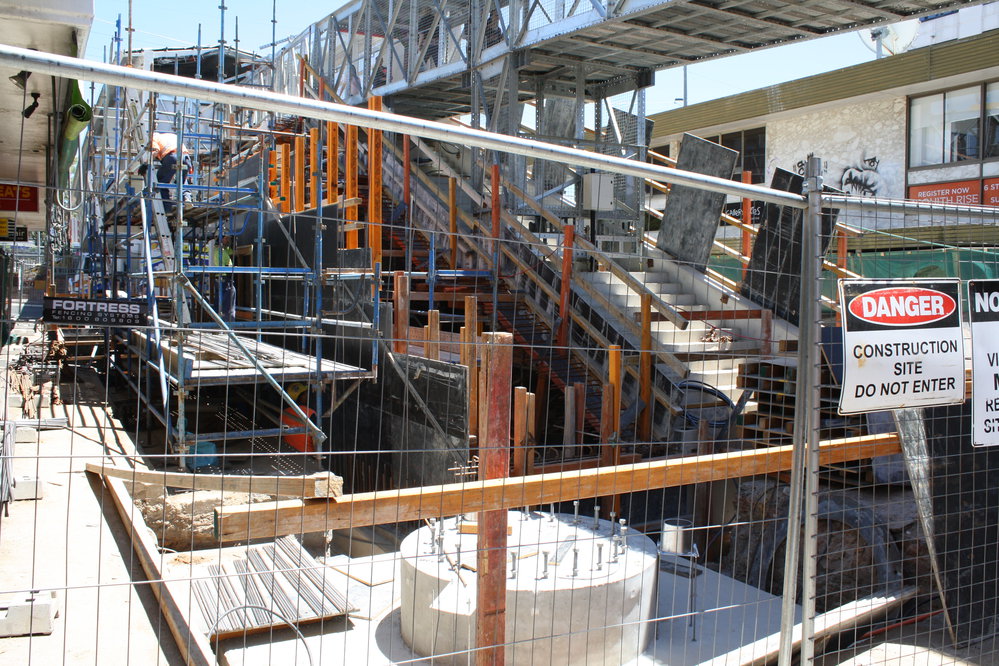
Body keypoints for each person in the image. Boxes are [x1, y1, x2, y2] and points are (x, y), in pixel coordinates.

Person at [150, 131, 192, 212]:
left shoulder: (154, 138)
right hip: (186, 158)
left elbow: (155, 150)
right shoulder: (172, 135)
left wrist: (147, 162)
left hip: (172, 157)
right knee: (182, 181)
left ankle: (166, 209)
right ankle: (187, 198)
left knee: (161, 183)